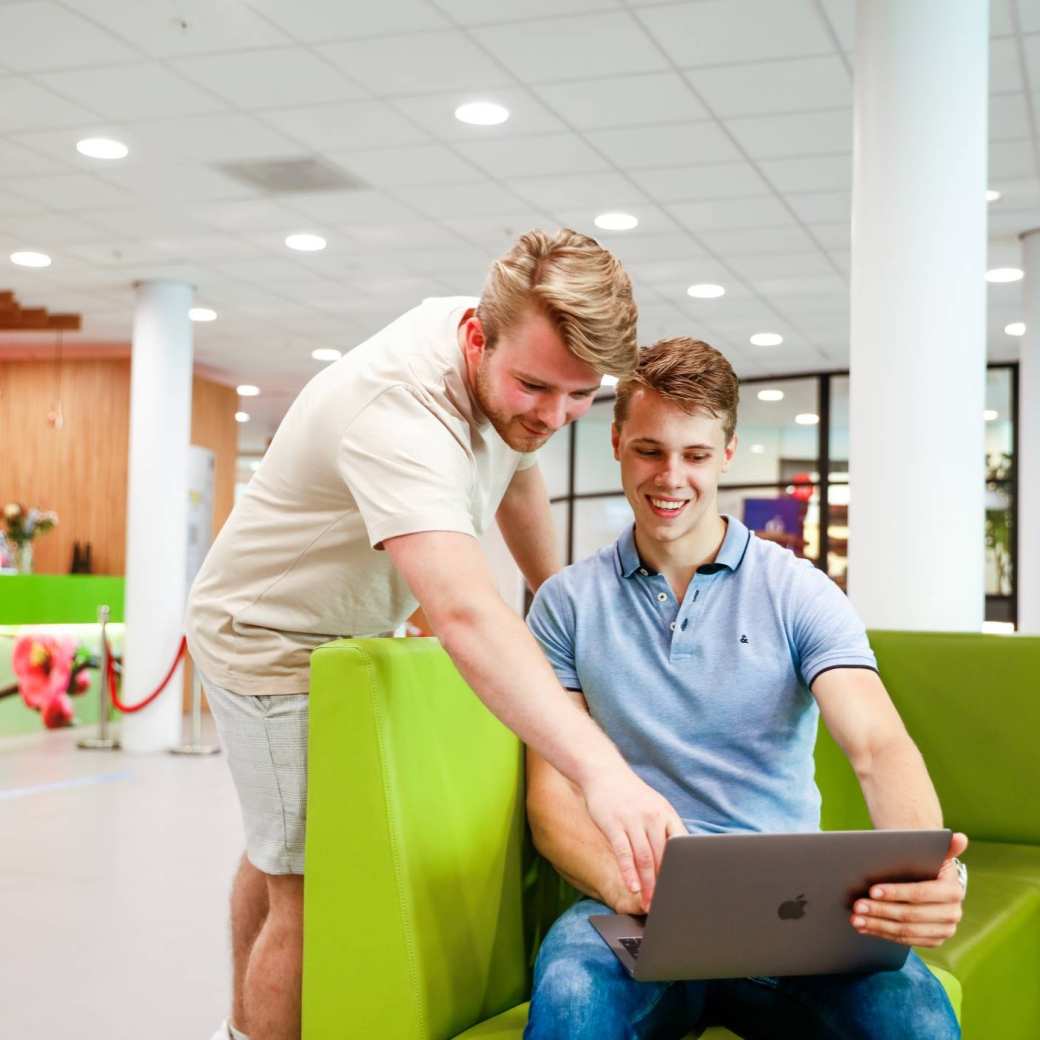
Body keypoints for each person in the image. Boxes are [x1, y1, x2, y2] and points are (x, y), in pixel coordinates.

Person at [185, 229, 687, 1040]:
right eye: (535, 387)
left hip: (352, 631)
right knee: (310, 890)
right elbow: (462, 614)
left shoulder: (505, 359)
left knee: (279, 846)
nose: (552, 415)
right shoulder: (399, 409)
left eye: (579, 396)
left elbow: (519, 471)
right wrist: (602, 771)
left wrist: (558, 604)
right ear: (475, 339)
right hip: (268, 638)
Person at [524, 337, 967, 1039]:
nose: (671, 477)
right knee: (574, 1001)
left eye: (696, 455)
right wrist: (632, 891)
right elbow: (551, 797)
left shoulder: (799, 592)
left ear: (727, 452)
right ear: (615, 442)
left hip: (791, 910)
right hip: (631, 906)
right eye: (649, 450)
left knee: (912, 1018)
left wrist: (926, 874)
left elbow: (878, 746)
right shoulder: (564, 606)